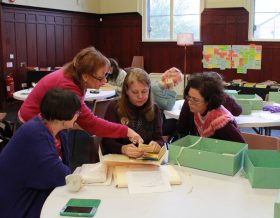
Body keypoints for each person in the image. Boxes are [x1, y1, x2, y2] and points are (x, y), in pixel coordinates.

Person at [18, 47, 142, 144]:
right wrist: (126, 131)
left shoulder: (72, 74)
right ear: (85, 76)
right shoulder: (69, 87)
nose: (105, 81)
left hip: (38, 122)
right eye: (101, 77)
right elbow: (91, 123)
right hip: (32, 125)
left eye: (106, 76)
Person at [0, 88, 81, 217]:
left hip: (33, 192)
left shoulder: (56, 132)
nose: (78, 115)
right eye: (76, 112)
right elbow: (61, 176)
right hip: (19, 204)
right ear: (63, 115)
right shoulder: (35, 135)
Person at [101, 68, 164, 158]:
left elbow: (159, 138)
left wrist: (157, 144)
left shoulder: (154, 109)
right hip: (120, 158)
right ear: (126, 91)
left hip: (145, 159)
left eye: (144, 91)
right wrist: (123, 148)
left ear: (149, 90)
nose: (140, 96)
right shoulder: (114, 107)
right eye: (135, 92)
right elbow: (106, 142)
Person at [177, 72, 245, 143]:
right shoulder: (198, 110)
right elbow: (181, 128)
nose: (189, 102)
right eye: (189, 97)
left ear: (208, 101)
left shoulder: (221, 122)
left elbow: (242, 146)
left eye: (195, 100)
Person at [151, 67, 183, 141]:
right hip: (156, 123)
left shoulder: (163, 87)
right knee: (180, 124)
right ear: (167, 78)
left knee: (180, 122)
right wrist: (171, 89)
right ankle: (167, 141)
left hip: (161, 117)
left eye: (177, 83)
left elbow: (167, 100)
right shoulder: (156, 88)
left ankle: (167, 140)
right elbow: (168, 106)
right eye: (175, 82)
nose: (175, 84)